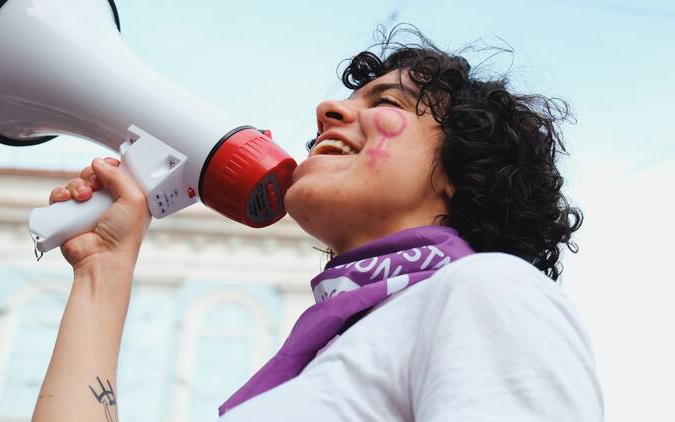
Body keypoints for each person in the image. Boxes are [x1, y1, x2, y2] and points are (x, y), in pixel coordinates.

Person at [31, 27, 603, 421]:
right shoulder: (328, 357)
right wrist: (102, 272)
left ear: (463, 171)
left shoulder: (486, 291)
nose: (327, 112)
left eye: (391, 104)